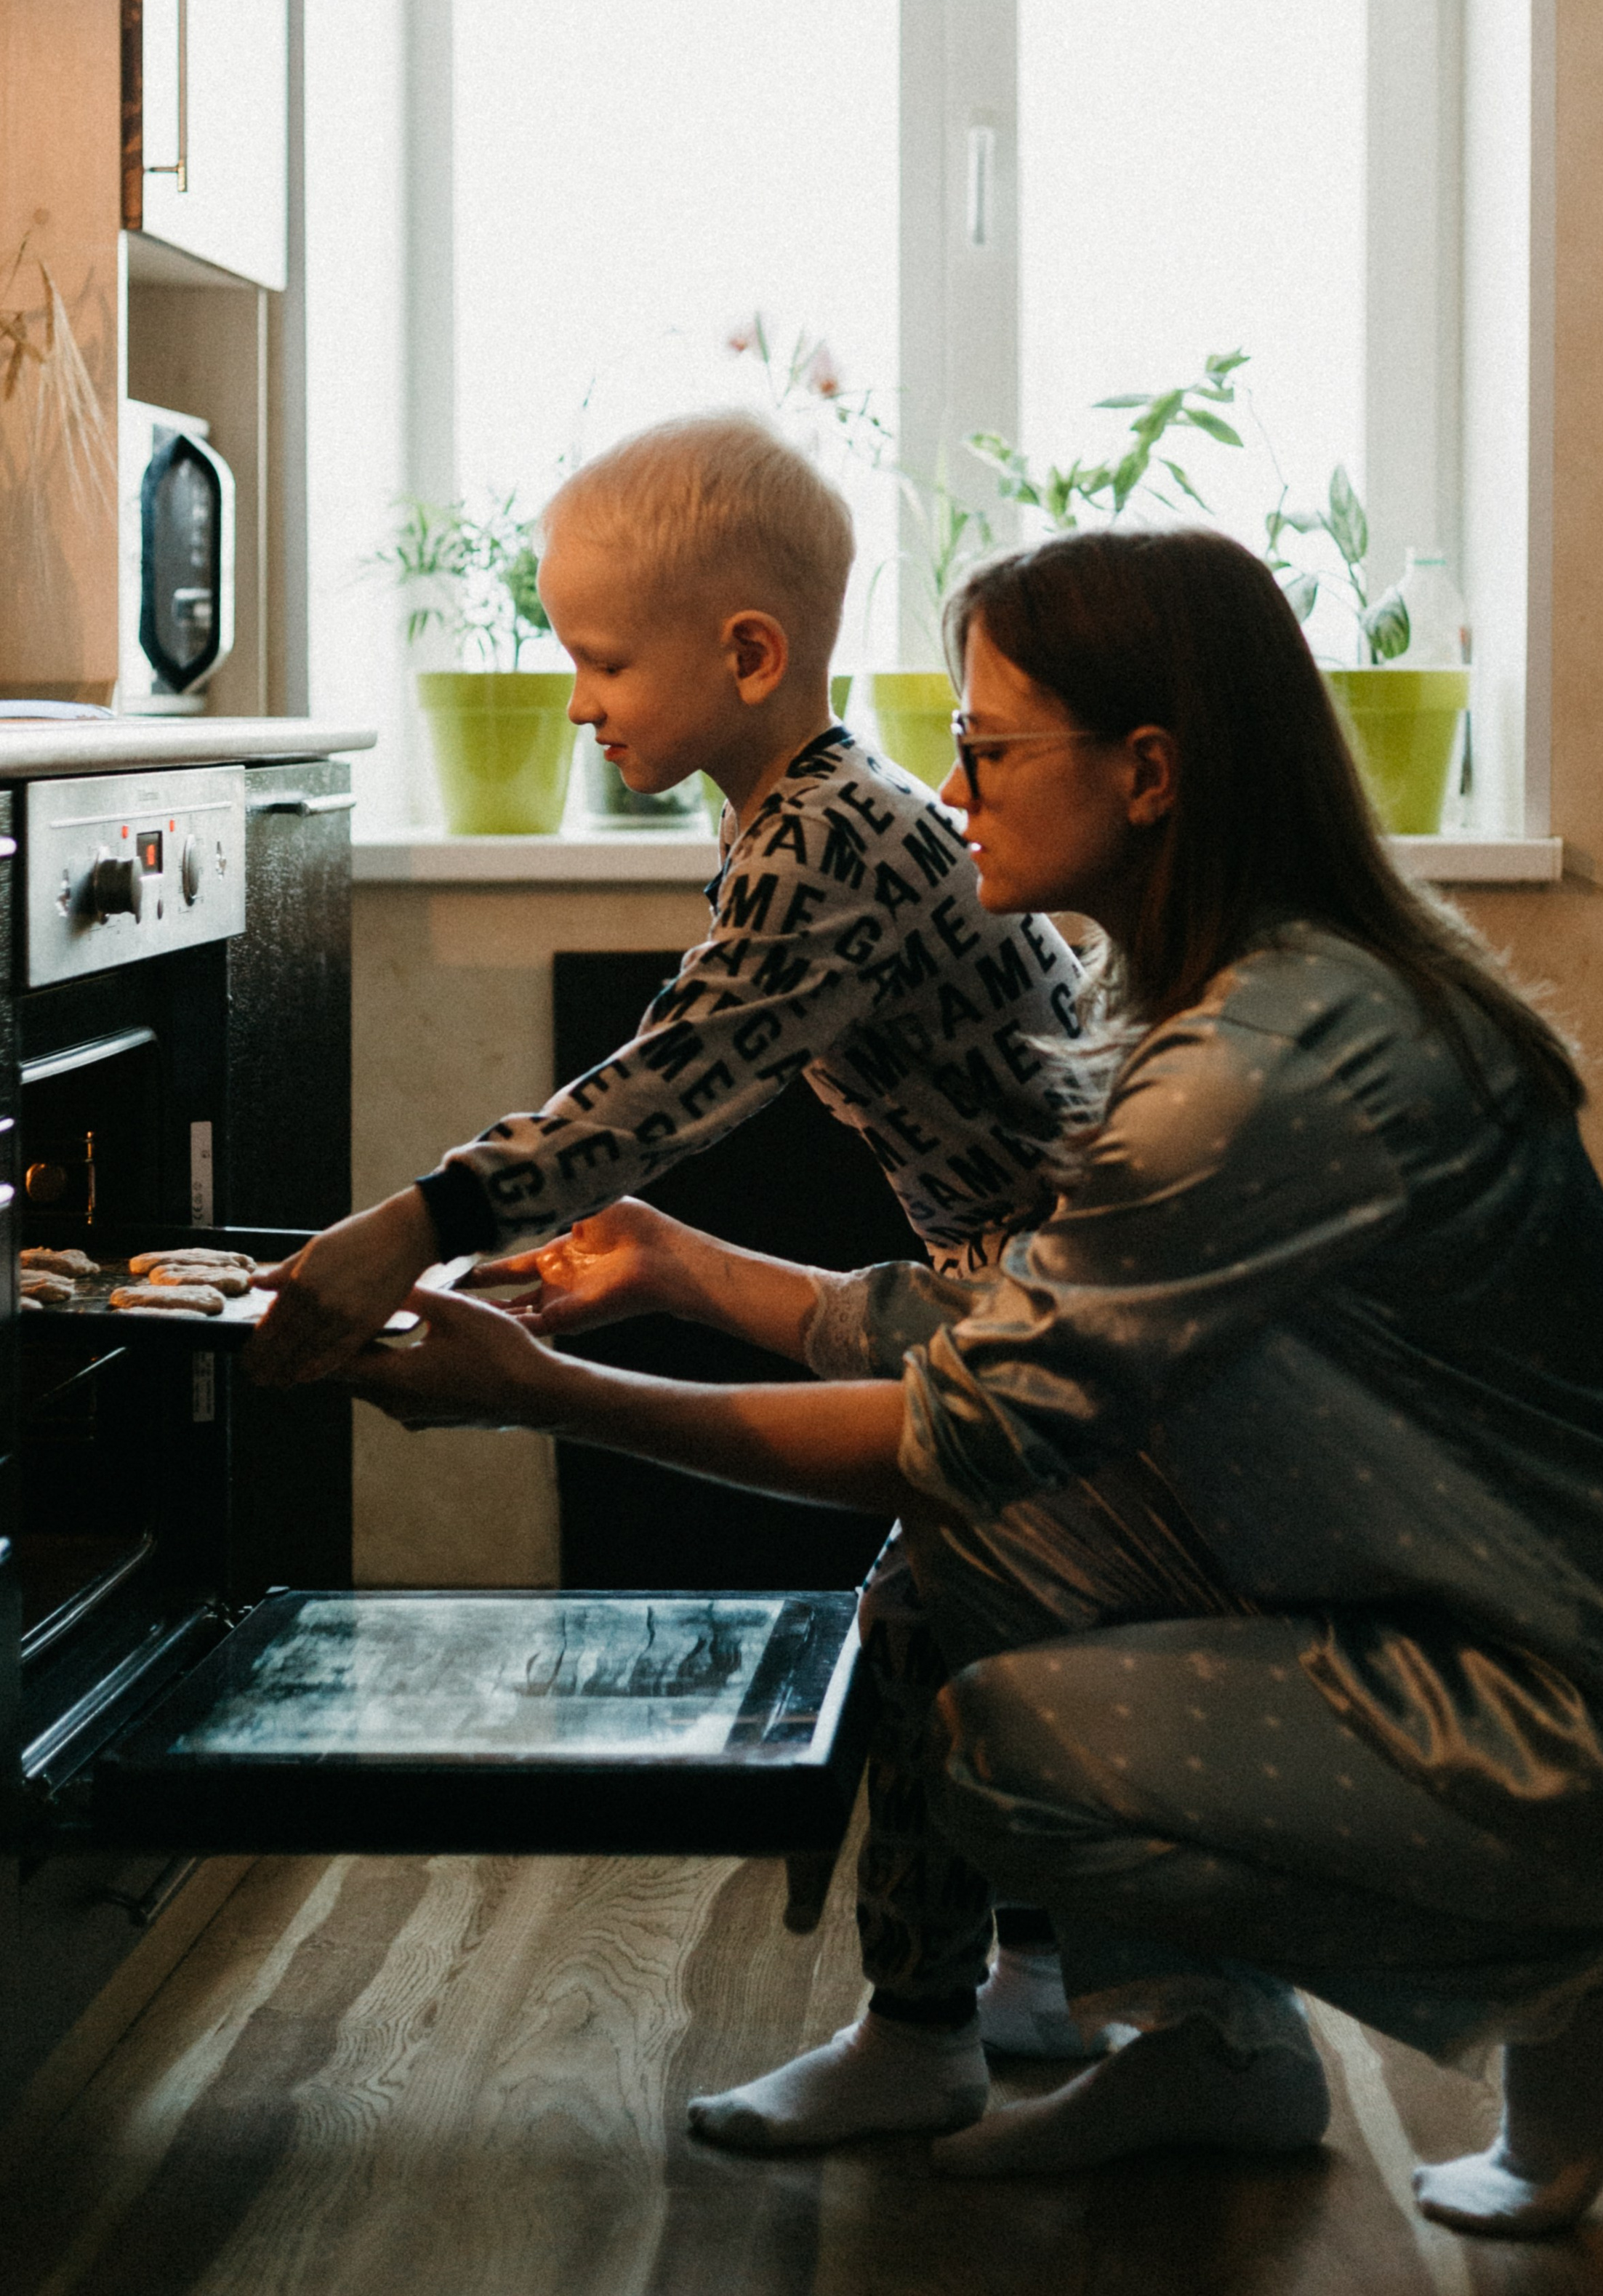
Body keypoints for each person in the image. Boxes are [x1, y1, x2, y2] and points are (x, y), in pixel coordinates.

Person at [328, 526, 1603, 2240]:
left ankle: (1555, 1975)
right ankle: (1210, 2049)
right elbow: (1022, 1336)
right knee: (964, 1570)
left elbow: (958, 1430)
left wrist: (548, 1395)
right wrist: (680, 1268)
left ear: (1147, 773)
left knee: (999, 1747)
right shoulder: (1277, 990)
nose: (953, 788)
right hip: (1577, 1636)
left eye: (986, 746)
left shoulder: (1248, 1073)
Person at [249, 408, 1096, 2109]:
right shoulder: (805, 816)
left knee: (926, 1612)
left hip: (1069, 1283)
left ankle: (928, 2030)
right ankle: (1030, 1970)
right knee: (977, 1616)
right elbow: (685, 1063)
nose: (575, 701)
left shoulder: (827, 842)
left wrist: (417, 1219)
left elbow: (666, 1083)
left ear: (749, 655)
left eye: (603, 660)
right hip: (1016, 1266)